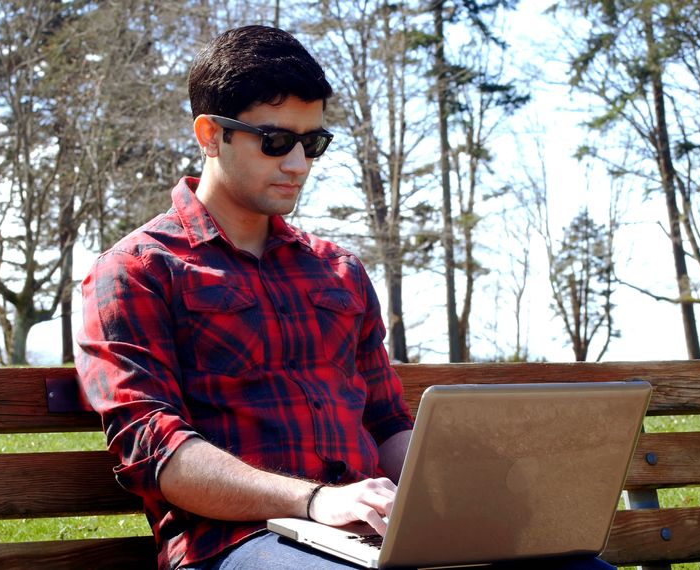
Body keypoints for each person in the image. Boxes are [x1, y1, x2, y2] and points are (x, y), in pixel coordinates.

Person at [78, 25, 614, 570]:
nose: (298, 165)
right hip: (237, 543)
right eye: (276, 141)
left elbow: (386, 423)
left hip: (368, 531)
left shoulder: (339, 271)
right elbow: (155, 453)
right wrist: (315, 502)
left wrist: (468, 487)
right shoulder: (137, 271)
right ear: (210, 135)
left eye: (312, 143)